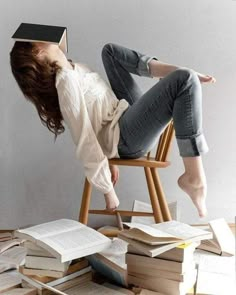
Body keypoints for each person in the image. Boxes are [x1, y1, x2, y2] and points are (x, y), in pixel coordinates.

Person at [10, 41, 216, 218]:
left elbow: (97, 114)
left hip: (123, 119)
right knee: (185, 79)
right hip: (125, 138)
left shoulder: (74, 68)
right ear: (37, 50)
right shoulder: (65, 83)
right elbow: (84, 138)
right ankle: (193, 177)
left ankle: (183, 78)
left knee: (109, 52)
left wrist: (109, 154)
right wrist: (108, 190)